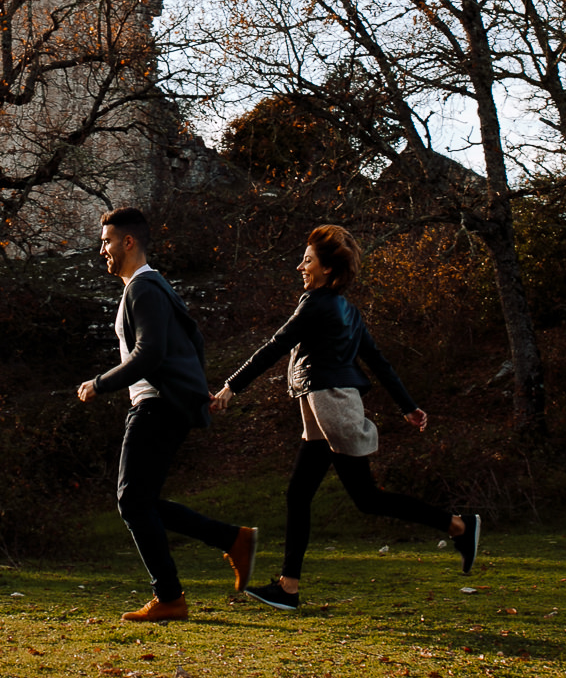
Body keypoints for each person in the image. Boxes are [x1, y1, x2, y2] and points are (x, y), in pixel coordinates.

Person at [212, 224, 479, 610]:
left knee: (366, 498)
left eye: (307, 260)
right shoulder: (347, 310)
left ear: (327, 269)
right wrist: (407, 406)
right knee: (299, 494)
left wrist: (230, 387)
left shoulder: (317, 304)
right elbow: (378, 362)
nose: (300, 266)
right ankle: (288, 587)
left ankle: (458, 526)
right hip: (323, 407)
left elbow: (276, 345)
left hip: (332, 405)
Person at [79, 207, 257, 623]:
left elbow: (151, 353)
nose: (101, 249)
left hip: (155, 405)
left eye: (106, 241)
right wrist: (196, 388)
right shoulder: (155, 289)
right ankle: (233, 540)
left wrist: (99, 383)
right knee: (142, 501)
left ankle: (171, 597)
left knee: (130, 500)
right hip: (165, 404)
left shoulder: (144, 288)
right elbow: (192, 339)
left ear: (128, 242)